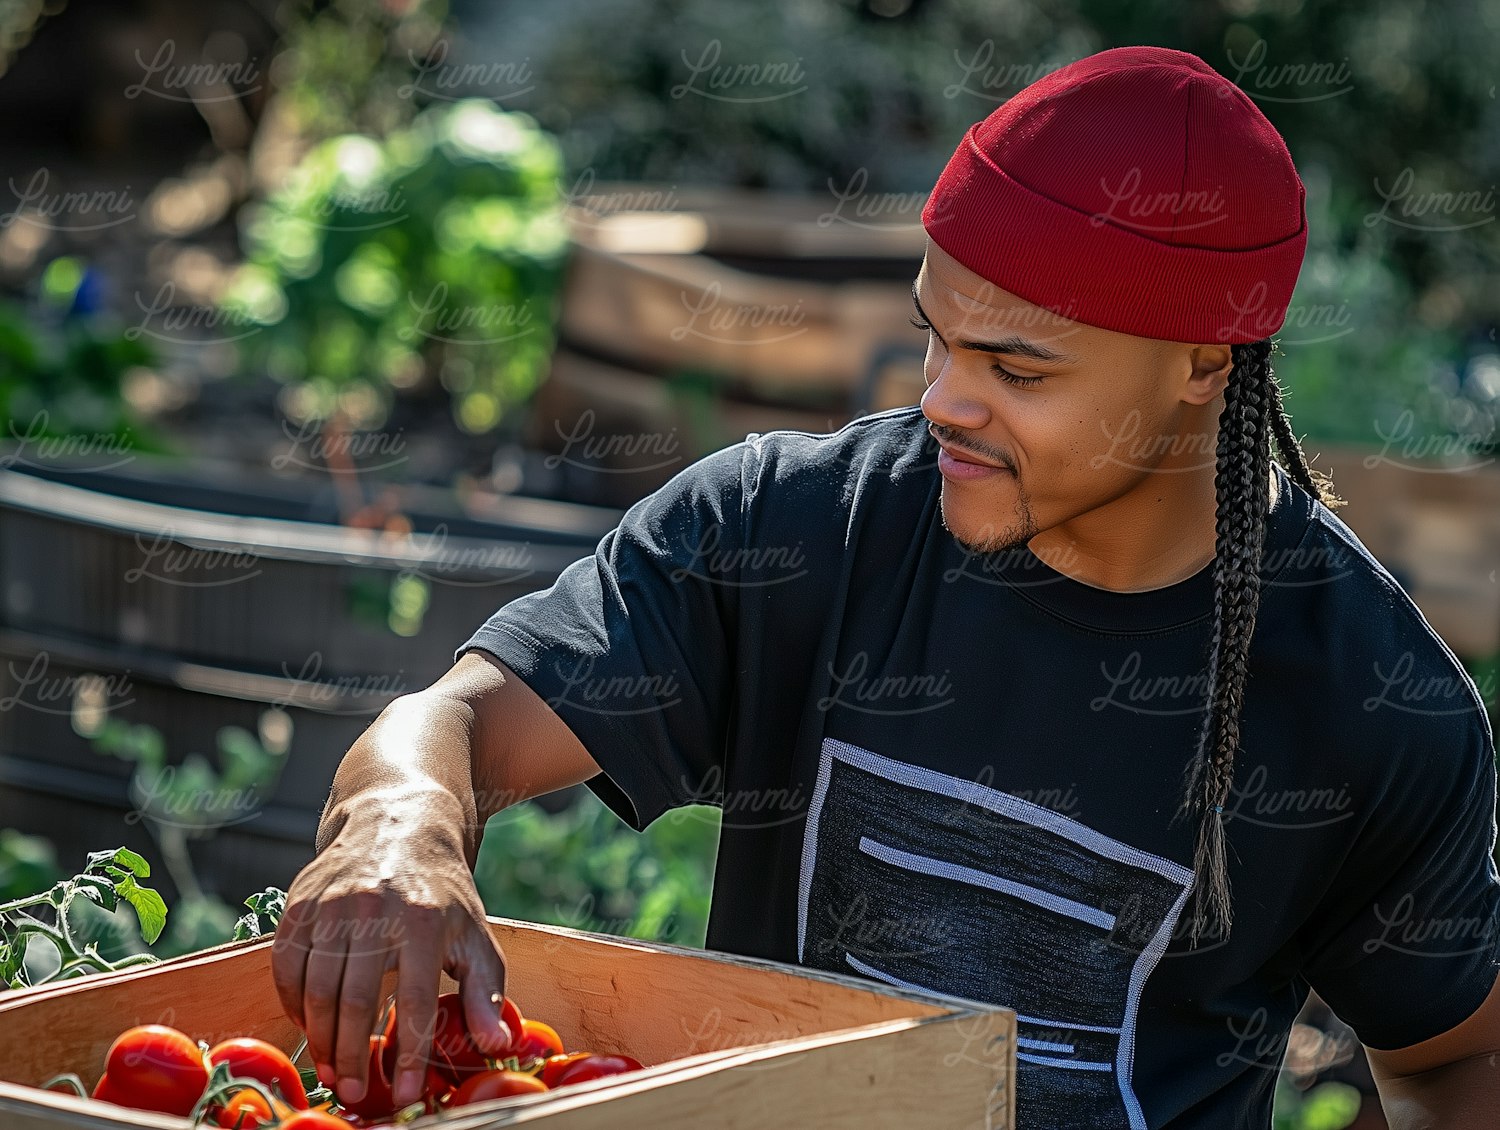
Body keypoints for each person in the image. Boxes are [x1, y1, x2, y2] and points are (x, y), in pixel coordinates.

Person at [271, 46, 1500, 1128]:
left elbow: (1458, 1058)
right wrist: (403, 822)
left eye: (1016, 368)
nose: (942, 401)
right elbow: (462, 720)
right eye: (938, 336)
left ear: (1199, 363)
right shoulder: (792, 529)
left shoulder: (1367, 693)